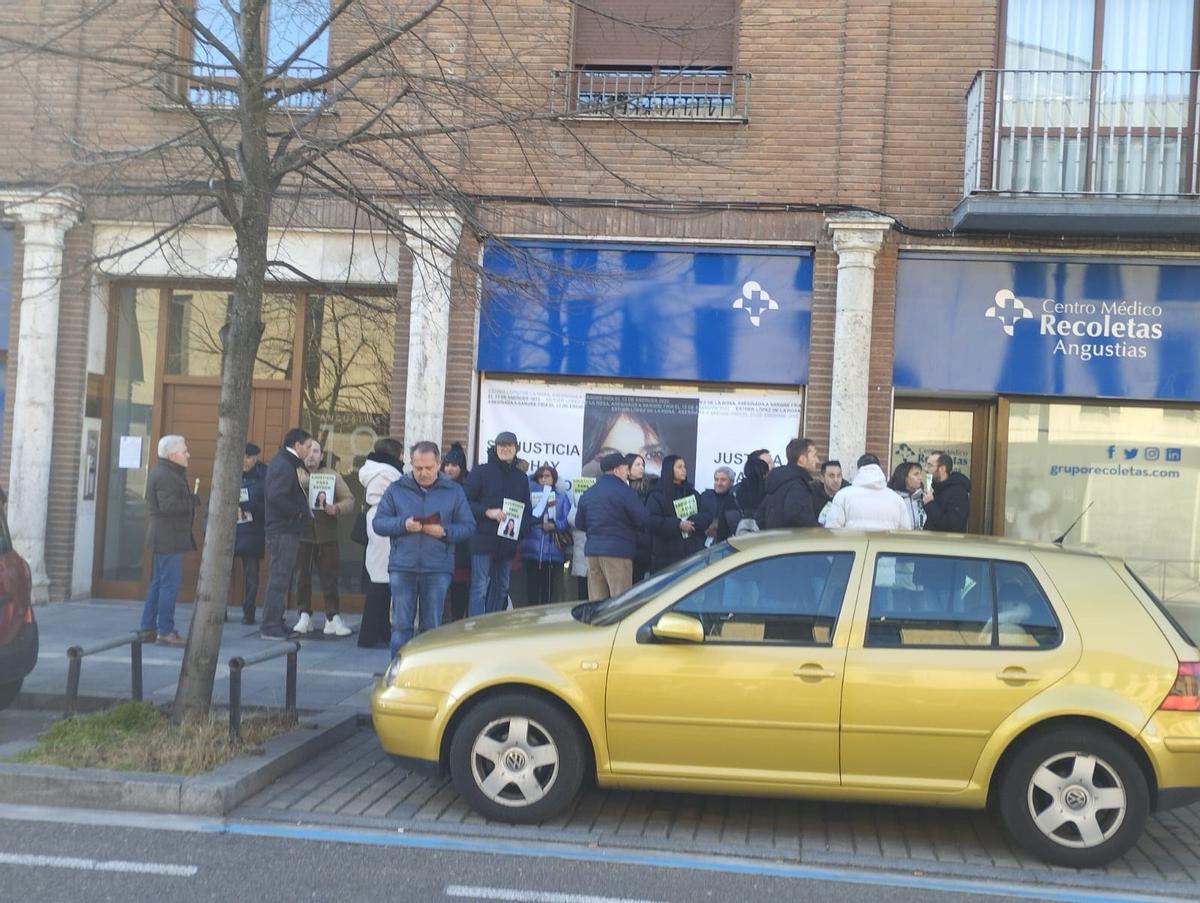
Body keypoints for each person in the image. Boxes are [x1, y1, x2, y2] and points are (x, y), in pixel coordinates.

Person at [372, 441, 474, 656]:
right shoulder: (396, 488)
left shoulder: (454, 491)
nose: (423, 473)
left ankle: (427, 679)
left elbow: (468, 527)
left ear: (438, 464)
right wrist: (403, 524)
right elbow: (378, 523)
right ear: (411, 464)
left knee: (431, 629)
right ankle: (398, 677)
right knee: (401, 627)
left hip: (437, 568)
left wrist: (444, 532)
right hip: (403, 566)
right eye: (418, 468)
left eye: (428, 468)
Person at [465, 431, 532, 616]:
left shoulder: (521, 478)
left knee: (502, 587)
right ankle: (475, 628)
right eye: (501, 446)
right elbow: (464, 502)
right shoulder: (480, 471)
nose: (505, 449)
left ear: (516, 449)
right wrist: (487, 512)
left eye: (509, 446)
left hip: (508, 543)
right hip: (483, 540)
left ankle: (491, 629)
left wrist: (519, 534)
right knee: (479, 587)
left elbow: (527, 510)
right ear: (495, 448)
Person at [140, 434, 195, 647]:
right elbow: (168, 506)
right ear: (172, 455)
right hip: (167, 537)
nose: (187, 454)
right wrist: (190, 502)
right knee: (168, 585)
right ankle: (165, 630)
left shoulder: (165, 472)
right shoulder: (165, 475)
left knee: (158, 583)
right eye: (184, 451)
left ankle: (148, 628)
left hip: (164, 536)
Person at [295, 441, 355, 636]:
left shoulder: (332, 476)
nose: (311, 455)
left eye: (316, 451)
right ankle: (304, 615)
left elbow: (349, 500)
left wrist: (336, 508)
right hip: (302, 535)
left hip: (327, 536)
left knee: (329, 578)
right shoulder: (294, 474)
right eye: (309, 450)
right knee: (302, 577)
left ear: (322, 456)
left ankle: (332, 617)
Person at [261, 427, 314, 640]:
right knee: (279, 578)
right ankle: (270, 625)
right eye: (308, 446)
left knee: (282, 578)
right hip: (283, 530)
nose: (310, 451)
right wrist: (299, 513)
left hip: (284, 528)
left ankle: (276, 621)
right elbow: (277, 496)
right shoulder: (283, 464)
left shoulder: (286, 463)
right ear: (297, 445)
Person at [574, 452, 649, 600]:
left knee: (597, 603)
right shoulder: (626, 492)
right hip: (618, 553)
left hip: (592, 553)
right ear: (616, 470)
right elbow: (643, 519)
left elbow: (579, 523)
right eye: (625, 468)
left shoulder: (589, 493)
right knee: (620, 602)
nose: (628, 472)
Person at [358, 437, 405, 648]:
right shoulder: (388, 472)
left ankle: (381, 631)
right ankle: (369, 634)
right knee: (380, 580)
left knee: (381, 578)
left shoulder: (375, 470)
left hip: (377, 520)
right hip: (385, 522)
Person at [645, 455, 712, 573]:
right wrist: (678, 525)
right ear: (669, 469)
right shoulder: (656, 494)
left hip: (692, 553)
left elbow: (707, 515)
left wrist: (692, 522)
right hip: (666, 556)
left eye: (684, 466)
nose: (684, 470)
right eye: (679, 467)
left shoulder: (692, 492)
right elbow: (652, 520)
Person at [519, 464, 572, 605]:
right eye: (540, 477)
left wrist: (554, 526)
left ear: (554, 478)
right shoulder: (529, 496)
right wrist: (536, 521)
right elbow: (523, 518)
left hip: (551, 550)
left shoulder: (561, 498)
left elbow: (566, 521)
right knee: (531, 589)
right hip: (531, 548)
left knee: (548, 589)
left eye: (547, 476)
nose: (543, 479)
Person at [824, 453, 914, 530]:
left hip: (854, 548)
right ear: (879, 468)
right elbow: (905, 533)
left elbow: (832, 530)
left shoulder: (843, 495)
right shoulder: (896, 499)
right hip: (885, 549)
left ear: (859, 469)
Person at [234, 442, 267, 625]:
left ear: (256, 458)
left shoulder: (264, 475)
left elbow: (269, 507)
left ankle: (249, 611)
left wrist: (251, 507)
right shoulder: (230, 472)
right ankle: (218, 611)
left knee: (251, 575)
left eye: (249, 457)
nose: (245, 461)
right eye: (243, 456)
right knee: (222, 573)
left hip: (252, 532)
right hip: (230, 531)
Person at [756, 437, 820, 529]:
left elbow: (760, 516)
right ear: (802, 460)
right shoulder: (797, 485)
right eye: (814, 456)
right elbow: (795, 515)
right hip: (792, 541)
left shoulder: (780, 481)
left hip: (774, 540)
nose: (817, 460)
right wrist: (817, 528)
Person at [439, 442, 472, 621]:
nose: (450, 469)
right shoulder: (436, 485)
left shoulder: (467, 488)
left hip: (460, 548)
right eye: (447, 465)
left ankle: (457, 622)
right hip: (439, 545)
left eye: (454, 465)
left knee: (459, 589)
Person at [624, 453, 655, 583]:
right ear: (627, 467)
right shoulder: (620, 489)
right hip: (624, 545)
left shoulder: (650, 488)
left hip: (642, 547)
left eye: (643, 465)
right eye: (637, 465)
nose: (641, 468)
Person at [923, 451, 971, 532]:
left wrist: (930, 504)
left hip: (946, 543)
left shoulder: (958, 492)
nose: (925, 469)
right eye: (926, 464)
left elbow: (953, 526)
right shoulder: (934, 488)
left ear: (942, 469)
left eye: (930, 465)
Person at [699, 465, 740, 544]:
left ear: (731, 482)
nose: (718, 483)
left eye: (723, 480)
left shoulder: (735, 498)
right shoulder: (705, 496)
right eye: (716, 479)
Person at [732, 453, 769, 531]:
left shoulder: (734, 495)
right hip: (765, 540)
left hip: (738, 539)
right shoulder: (772, 494)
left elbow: (723, 528)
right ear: (765, 474)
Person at [889, 461, 927, 530]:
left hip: (922, 539)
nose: (920, 478)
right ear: (904, 477)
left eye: (920, 474)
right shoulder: (892, 498)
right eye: (916, 474)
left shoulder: (923, 498)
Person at [811, 460, 843, 525]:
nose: (836, 480)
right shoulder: (812, 494)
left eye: (839, 475)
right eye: (831, 476)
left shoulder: (847, 492)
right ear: (822, 478)